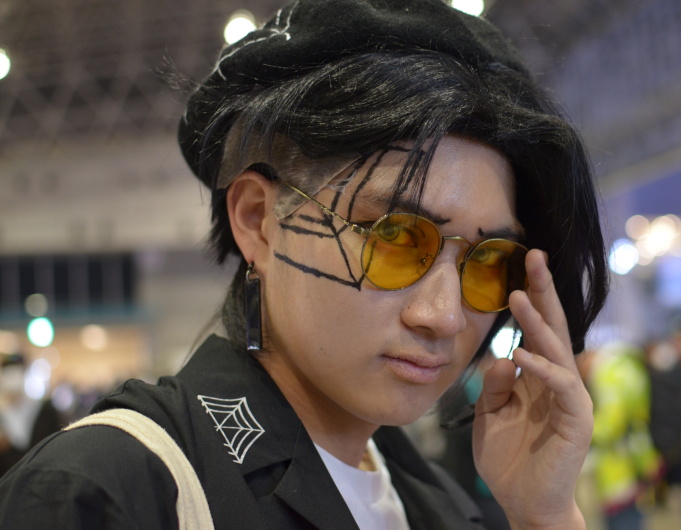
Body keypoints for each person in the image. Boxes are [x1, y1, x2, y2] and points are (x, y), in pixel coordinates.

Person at [0, 0, 609, 528]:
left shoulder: (438, 506)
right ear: (258, 220)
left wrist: (544, 516)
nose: (445, 317)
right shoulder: (109, 491)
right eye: (396, 238)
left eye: (487, 262)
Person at [579, 342, 661, 530]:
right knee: (634, 514)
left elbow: (610, 425)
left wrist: (580, 431)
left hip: (617, 464)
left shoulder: (607, 375)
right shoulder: (627, 367)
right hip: (638, 454)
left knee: (622, 520)